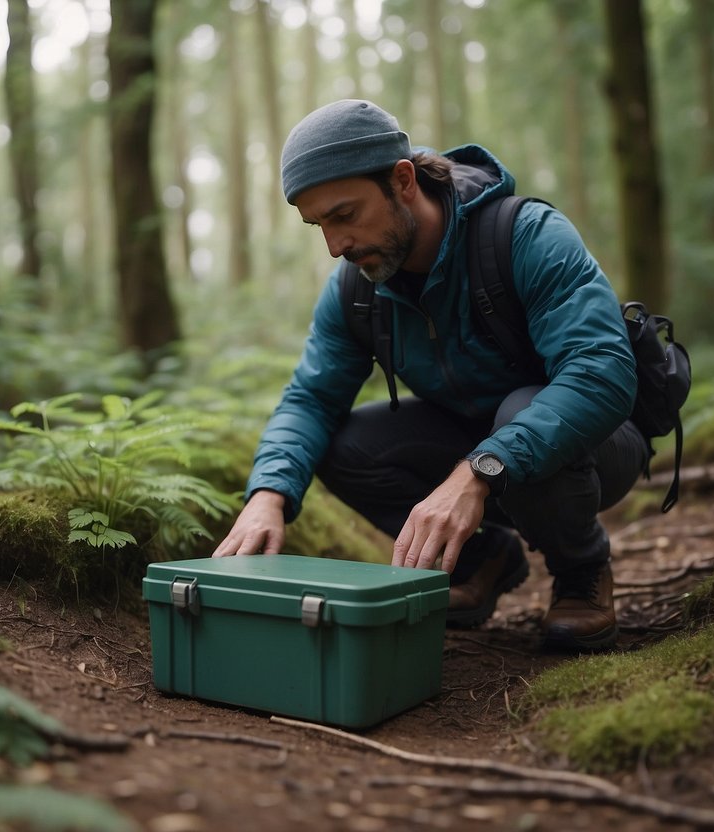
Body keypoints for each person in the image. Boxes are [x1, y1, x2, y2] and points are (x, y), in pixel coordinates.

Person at [212, 99, 649, 651]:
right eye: (318, 225)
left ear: (402, 181)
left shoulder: (526, 235)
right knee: (340, 442)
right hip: (473, 440)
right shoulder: (357, 290)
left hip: (593, 443)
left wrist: (479, 470)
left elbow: (601, 373)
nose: (335, 246)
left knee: (520, 412)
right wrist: (269, 492)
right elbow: (311, 400)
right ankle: (480, 561)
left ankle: (581, 570)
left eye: (344, 215)